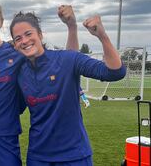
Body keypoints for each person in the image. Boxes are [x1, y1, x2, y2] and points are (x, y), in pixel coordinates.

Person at [0, 0, 79, 166]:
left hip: (5, 134)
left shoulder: (19, 53)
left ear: (1, 22)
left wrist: (71, 27)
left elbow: (69, 62)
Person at [9, 11, 126, 165]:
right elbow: (14, 107)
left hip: (74, 156)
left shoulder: (67, 59)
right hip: (38, 157)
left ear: (40, 34)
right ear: (15, 45)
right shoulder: (20, 73)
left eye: (28, 34)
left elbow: (115, 72)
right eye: (18, 39)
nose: (24, 41)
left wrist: (102, 36)